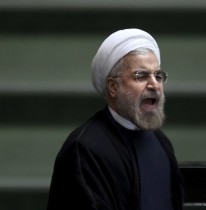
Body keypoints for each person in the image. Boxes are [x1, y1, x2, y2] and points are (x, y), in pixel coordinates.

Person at [47, 28, 184, 210]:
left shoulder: (161, 142)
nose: (154, 85)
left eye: (158, 76)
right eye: (141, 76)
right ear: (113, 86)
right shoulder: (85, 148)